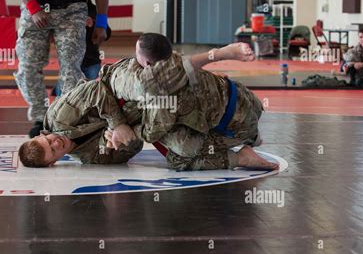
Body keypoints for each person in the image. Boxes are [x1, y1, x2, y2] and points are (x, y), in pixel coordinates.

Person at [19, 38, 278, 171]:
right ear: (54, 162)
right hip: (141, 118)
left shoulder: (58, 117)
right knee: (183, 155)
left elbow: (94, 89)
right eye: (52, 150)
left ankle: (218, 54)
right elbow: (131, 150)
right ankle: (239, 156)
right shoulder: (90, 157)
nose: (55, 143)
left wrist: (116, 123)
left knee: (146, 85)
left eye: (48, 140)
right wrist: (121, 140)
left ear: (44, 133)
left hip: (117, 86)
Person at [100, 33, 277, 171]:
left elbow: (151, 133)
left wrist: (125, 130)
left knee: (181, 156)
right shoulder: (176, 59)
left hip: (236, 126)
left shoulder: (158, 93)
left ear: (147, 63)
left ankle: (242, 157)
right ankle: (252, 137)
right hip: (246, 97)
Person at [12, 0, 109, 138]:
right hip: (37, 7)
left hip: (72, 11)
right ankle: (40, 117)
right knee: (28, 66)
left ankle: (62, 119)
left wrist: (101, 22)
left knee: (71, 69)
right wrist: (33, 8)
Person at [52, 0, 112, 96]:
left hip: (91, 61)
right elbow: (55, 31)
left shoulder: (96, 10)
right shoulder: (64, 8)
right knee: (63, 96)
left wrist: (95, 24)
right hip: (69, 61)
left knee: (89, 95)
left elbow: (107, 33)